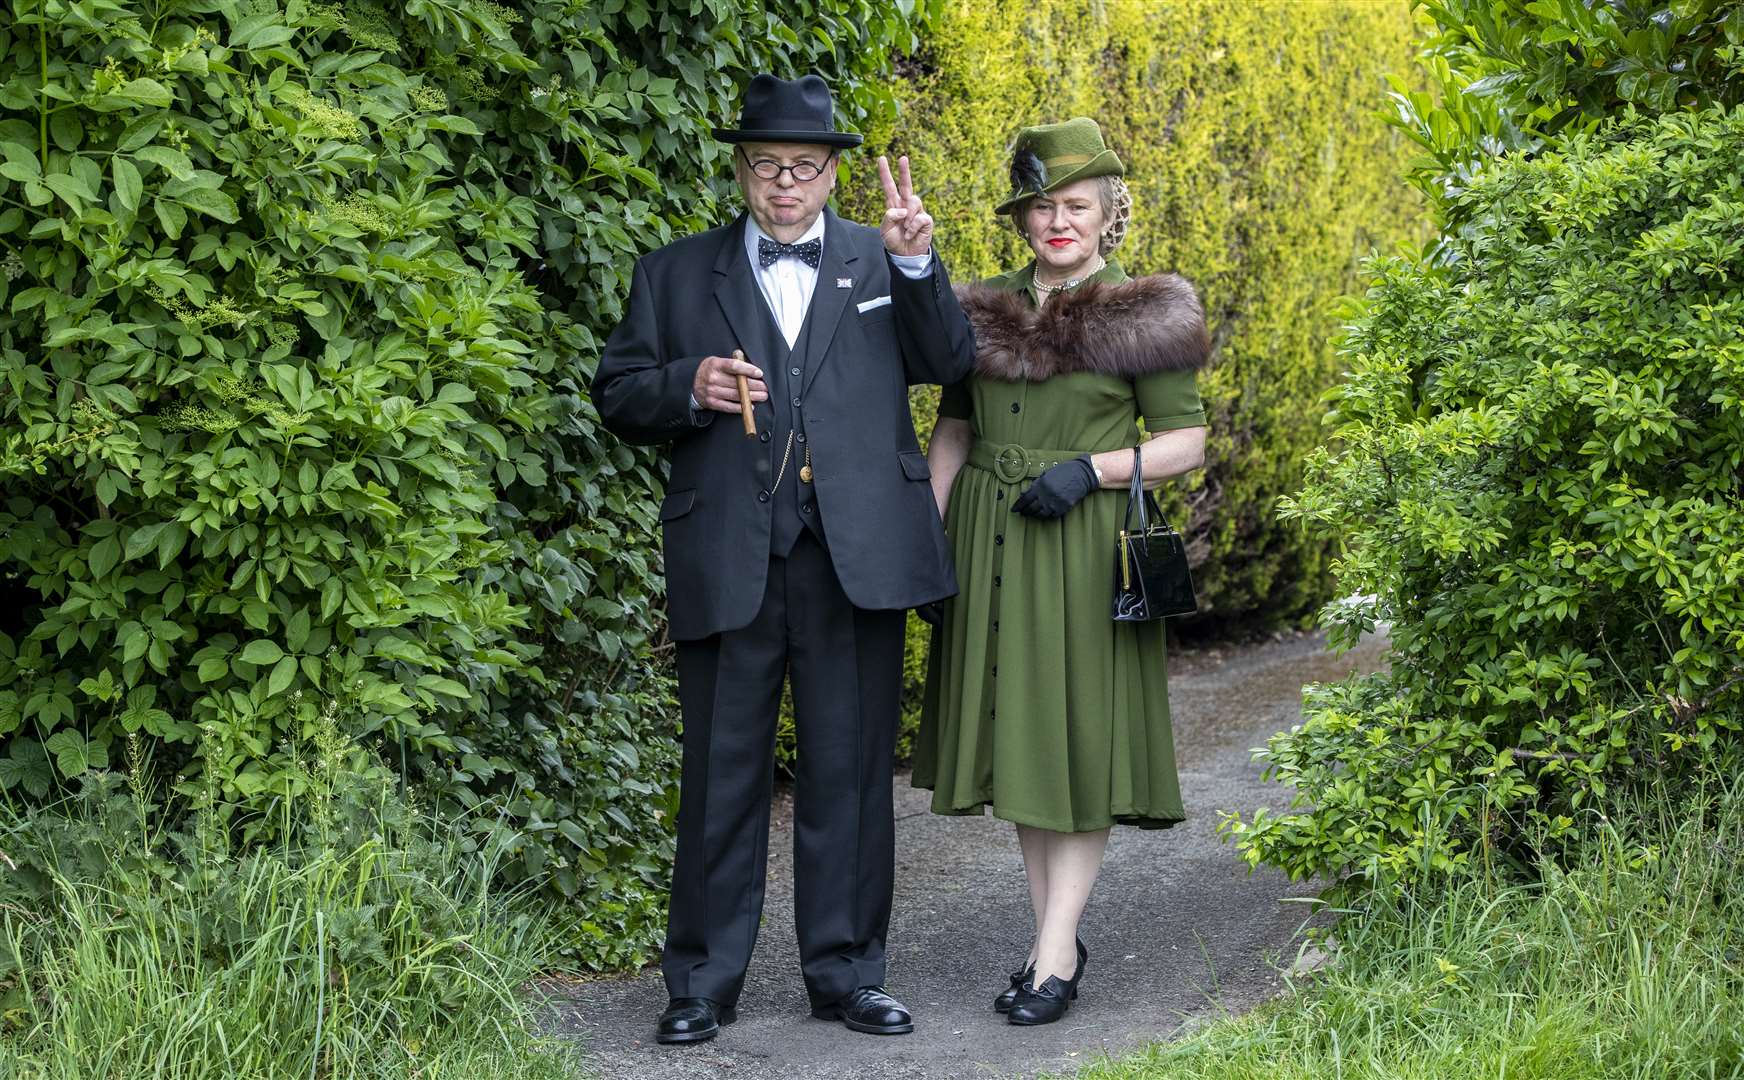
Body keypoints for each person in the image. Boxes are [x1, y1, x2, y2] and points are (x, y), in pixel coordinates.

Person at [592, 73, 976, 1044]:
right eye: (766, 166)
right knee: (721, 775)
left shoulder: (882, 258)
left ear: (833, 172)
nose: (783, 185)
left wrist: (921, 266)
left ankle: (847, 975)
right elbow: (618, 393)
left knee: (848, 774)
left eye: (802, 168)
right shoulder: (674, 274)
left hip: (858, 557)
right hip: (731, 551)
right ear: (741, 170)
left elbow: (949, 363)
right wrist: (691, 383)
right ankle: (700, 985)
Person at [913, 117, 1211, 1026]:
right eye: (1041, 206)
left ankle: (1052, 954)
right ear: (1021, 217)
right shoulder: (979, 309)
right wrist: (926, 540)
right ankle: (1056, 939)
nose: (1058, 222)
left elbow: (1188, 443)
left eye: (1076, 205)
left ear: (1109, 212)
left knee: (1073, 746)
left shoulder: (1149, 310)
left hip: (1082, 545)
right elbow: (955, 431)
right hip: (989, 540)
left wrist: (1093, 469)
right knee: (1021, 744)